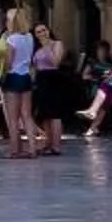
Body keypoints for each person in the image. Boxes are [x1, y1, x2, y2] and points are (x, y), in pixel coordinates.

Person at [0, 18, 39, 158]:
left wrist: (3, 74)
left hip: (13, 76)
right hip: (26, 76)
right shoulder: (29, 37)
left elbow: (9, 60)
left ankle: (15, 149)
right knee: (27, 115)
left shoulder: (12, 39)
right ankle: (33, 148)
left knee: (13, 117)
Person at [29, 25, 70, 155]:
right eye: (38, 32)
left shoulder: (56, 44)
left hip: (53, 78)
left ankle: (56, 145)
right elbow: (34, 66)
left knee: (55, 114)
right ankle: (48, 142)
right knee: (44, 113)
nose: (42, 33)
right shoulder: (36, 48)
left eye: (44, 30)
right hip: (41, 79)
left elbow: (56, 62)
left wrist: (47, 46)